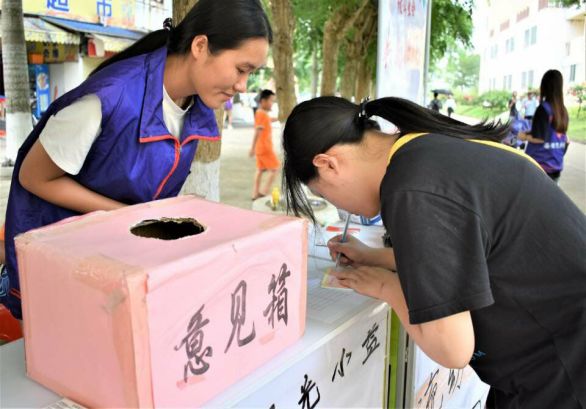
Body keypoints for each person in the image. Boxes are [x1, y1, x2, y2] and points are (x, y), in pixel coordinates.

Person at [281, 96, 586, 409]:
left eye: (324, 195)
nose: (338, 206)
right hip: (552, 354)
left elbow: (453, 349)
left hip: (564, 371)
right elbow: (465, 256)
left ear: (327, 164)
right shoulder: (424, 149)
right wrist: (375, 257)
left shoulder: (412, 188)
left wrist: (386, 286)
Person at [0, 0, 273, 320]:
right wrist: (131, 218)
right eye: (241, 70)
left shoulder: (195, 109)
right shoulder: (108, 99)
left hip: (115, 265)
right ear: (201, 46)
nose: (242, 87)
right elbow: (34, 178)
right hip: (60, 268)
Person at [519, 70, 569, 183]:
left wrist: (523, 136)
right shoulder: (563, 110)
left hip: (540, 166)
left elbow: (540, 138)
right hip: (556, 166)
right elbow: (564, 138)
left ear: (544, 86)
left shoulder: (543, 109)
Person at [250, 89, 279, 200]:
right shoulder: (261, 114)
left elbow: (268, 120)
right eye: (271, 101)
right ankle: (263, 192)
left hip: (261, 147)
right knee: (275, 168)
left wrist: (280, 117)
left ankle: (255, 193)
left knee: (260, 170)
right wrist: (252, 148)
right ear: (263, 101)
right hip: (265, 147)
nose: (272, 103)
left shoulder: (261, 113)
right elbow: (258, 131)